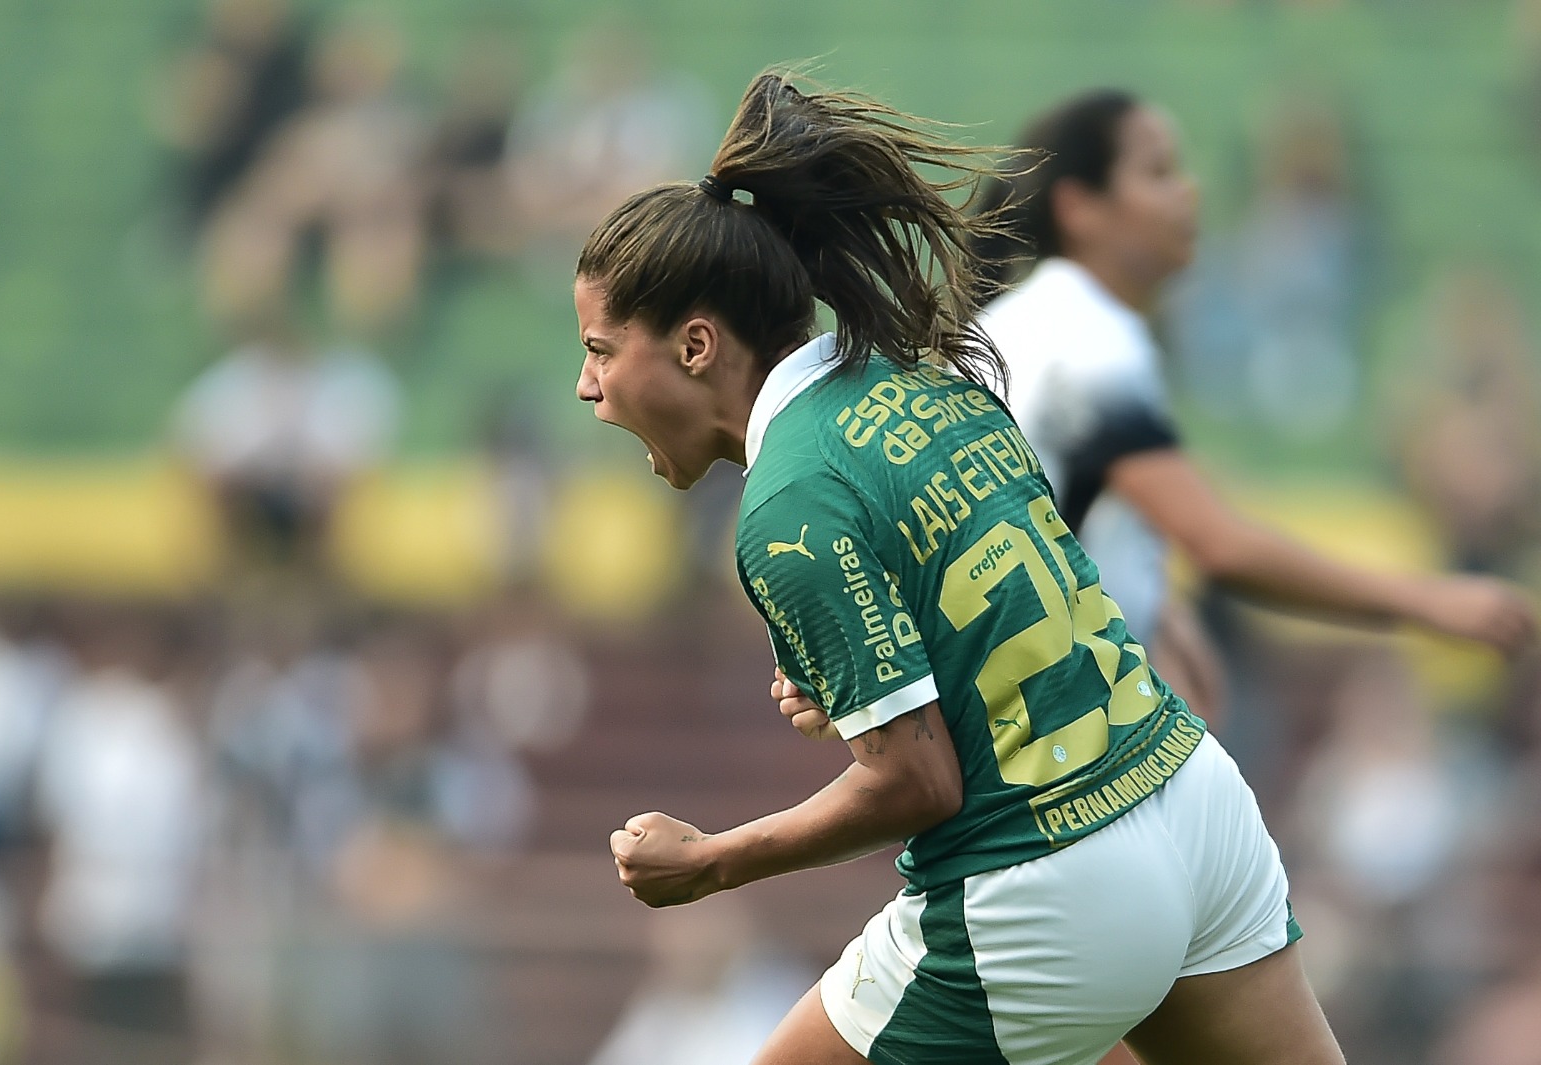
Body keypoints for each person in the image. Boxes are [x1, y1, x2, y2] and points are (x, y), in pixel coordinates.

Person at [572, 69, 1373, 1065]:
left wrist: (712, 862)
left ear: (695, 345)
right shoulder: (922, 374)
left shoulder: (784, 504)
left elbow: (918, 784)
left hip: (1049, 880)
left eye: (603, 350)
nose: (586, 384)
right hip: (1193, 805)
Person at [967, 90, 1534, 719]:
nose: (1190, 192)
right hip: (1057, 724)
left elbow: (1065, 510)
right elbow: (1219, 545)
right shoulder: (1089, 335)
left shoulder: (1031, 320)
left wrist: (1157, 607)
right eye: (1158, 173)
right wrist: (1426, 603)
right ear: (1080, 208)